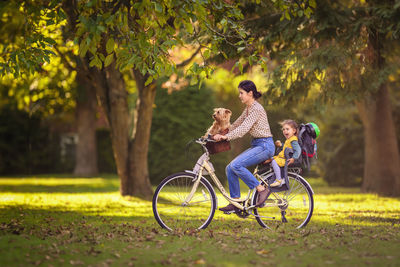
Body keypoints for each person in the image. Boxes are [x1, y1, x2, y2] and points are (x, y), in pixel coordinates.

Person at [213, 80, 275, 212]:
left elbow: (244, 129)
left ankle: (261, 189)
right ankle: (236, 203)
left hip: (265, 145)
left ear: (250, 93)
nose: (239, 96)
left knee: (236, 165)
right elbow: (236, 125)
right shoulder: (248, 109)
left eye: (241, 93)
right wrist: (219, 132)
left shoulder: (256, 109)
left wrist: (225, 137)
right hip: (257, 144)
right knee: (230, 168)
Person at [268, 120, 301, 187]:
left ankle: (278, 179)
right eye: (283, 129)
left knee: (274, 162)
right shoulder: (289, 140)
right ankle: (276, 176)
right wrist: (281, 145)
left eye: (287, 129)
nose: (285, 131)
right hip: (282, 158)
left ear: (294, 131)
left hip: (285, 159)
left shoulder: (293, 140)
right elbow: (287, 147)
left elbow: (298, 150)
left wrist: (293, 158)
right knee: (270, 159)